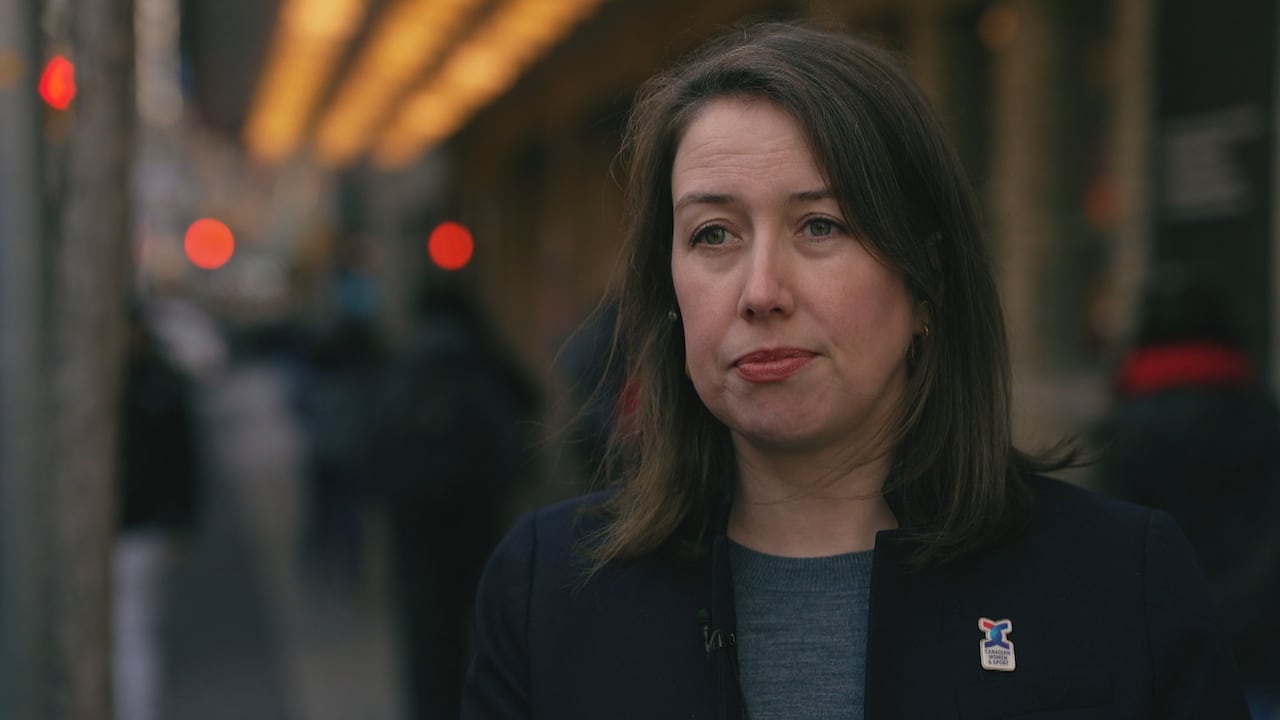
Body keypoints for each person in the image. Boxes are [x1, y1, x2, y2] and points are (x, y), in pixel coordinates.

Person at [461, 21, 1249, 719]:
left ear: (925, 282)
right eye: (713, 235)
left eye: (820, 225)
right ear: (667, 290)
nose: (761, 291)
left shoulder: (1120, 585)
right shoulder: (549, 592)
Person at [1095, 265, 1280, 719]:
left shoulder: (1128, 430)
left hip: (1169, 651)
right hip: (1264, 647)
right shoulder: (1266, 419)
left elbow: (1109, 555)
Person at [372, 280, 540, 720]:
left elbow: (373, 443)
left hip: (417, 525)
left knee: (427, 634)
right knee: (488, 623)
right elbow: (529, 400)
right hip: (479, 515)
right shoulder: (481, 356)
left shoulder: (403, 365)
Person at [114, 302, 203, 720]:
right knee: (134, 626)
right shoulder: (151, 381)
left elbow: (183, 458)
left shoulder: (155, 383)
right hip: (134, 523)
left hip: (140, 524)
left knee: (134, 627)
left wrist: (183, 521)